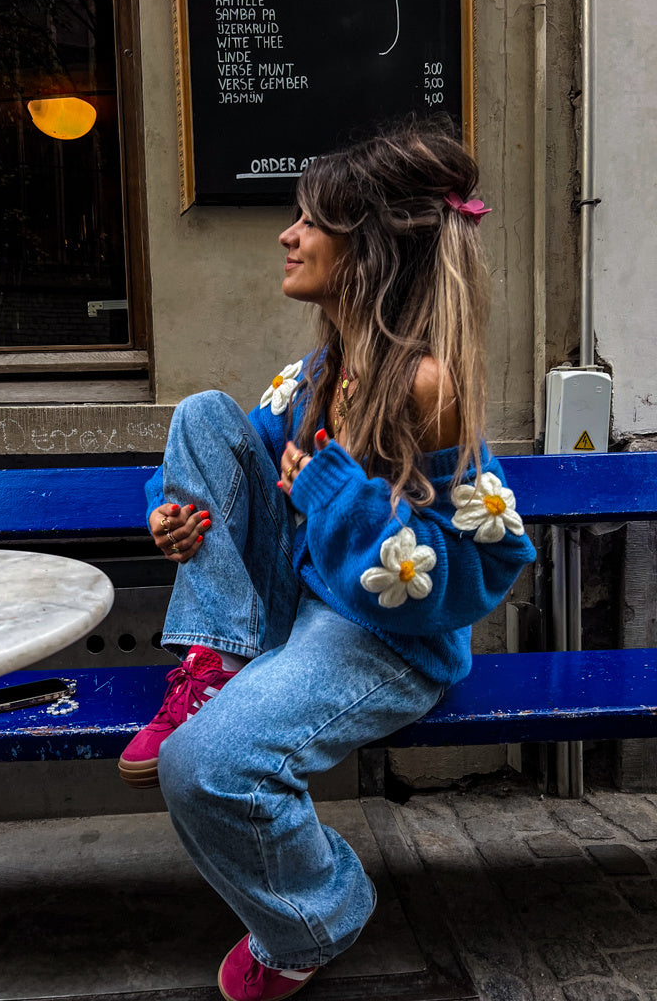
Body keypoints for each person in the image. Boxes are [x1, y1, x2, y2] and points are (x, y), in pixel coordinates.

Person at [118, 118, 536, 1001]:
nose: (287, 234)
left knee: (204, 768)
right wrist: (177, 518)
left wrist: (334, 497)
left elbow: (472, 580)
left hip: (385, 641)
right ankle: (216, 657)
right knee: (200, 411)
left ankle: (318, 912)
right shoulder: (315, 372)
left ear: (369, 247)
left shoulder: (427, 389)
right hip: (291, 604)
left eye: (311, 221)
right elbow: (238, 470)